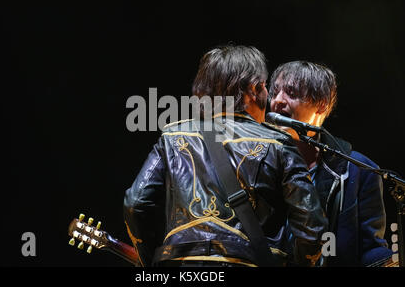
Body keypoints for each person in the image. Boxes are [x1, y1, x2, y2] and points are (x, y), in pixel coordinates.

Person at [123, 45, 327, 267]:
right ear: (253, 88)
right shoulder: (278, 142)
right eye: (265, 86)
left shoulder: (173, 136)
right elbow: (311, 226)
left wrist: (154, 259)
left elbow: (135, 204)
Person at [269, 61, 393, 266]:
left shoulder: (360, 170)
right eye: (274, 92)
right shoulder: (256, 161)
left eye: (291, 92)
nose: (278, 101)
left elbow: (370, 249)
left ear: (322, 104)